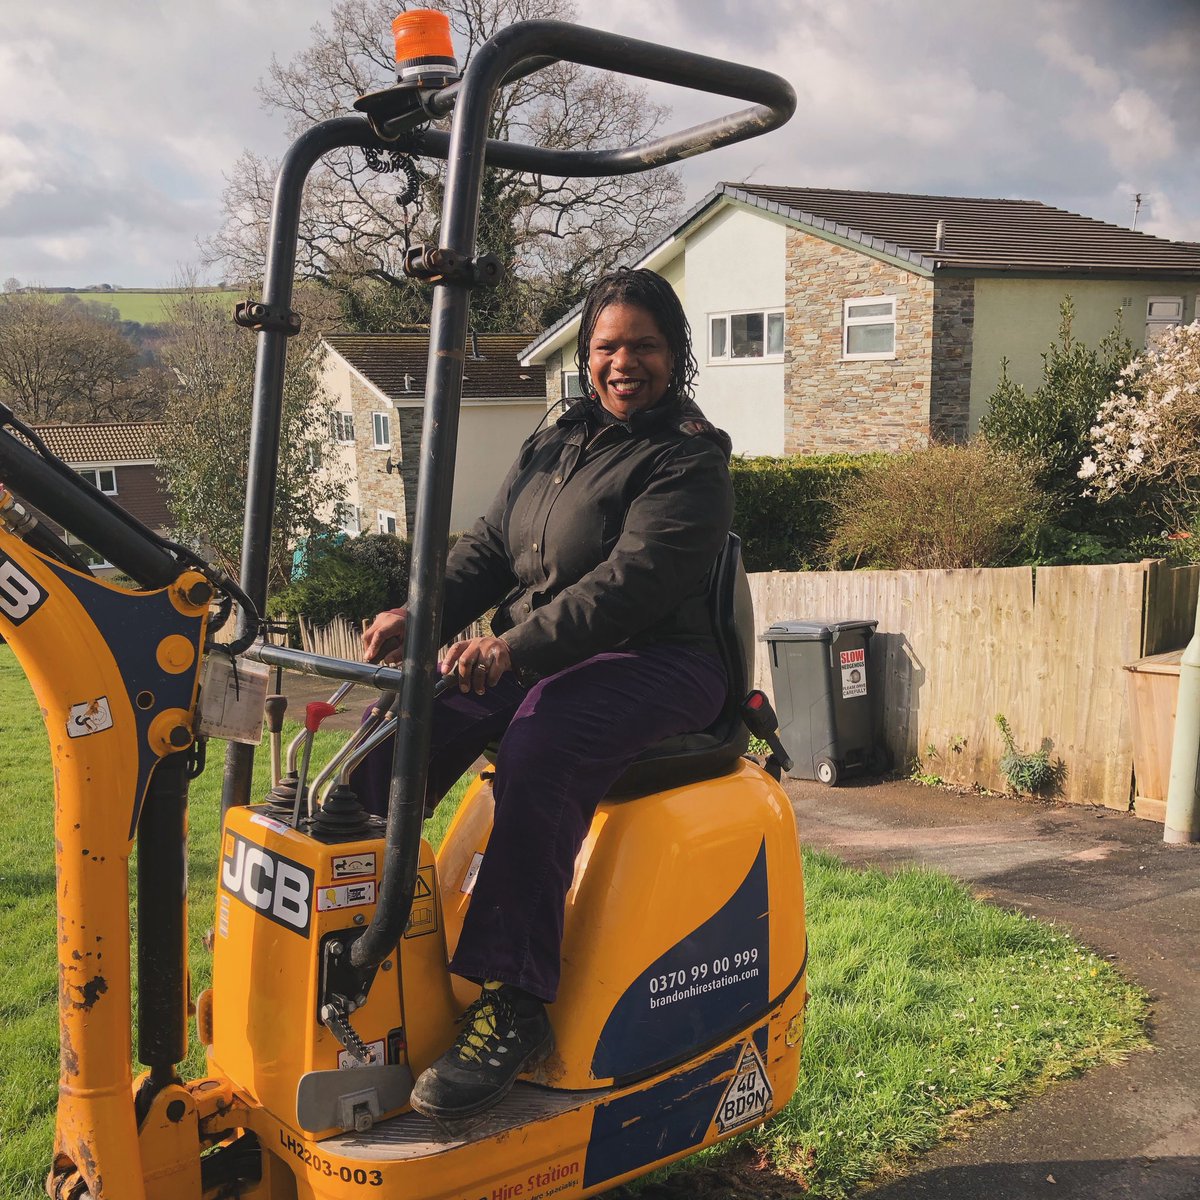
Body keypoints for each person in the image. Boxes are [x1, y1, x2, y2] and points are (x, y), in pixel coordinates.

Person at [357, 266, 734, 1122]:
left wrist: (512, 648)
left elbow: (628, 589)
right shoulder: (558, 439)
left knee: (544, 741)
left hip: (661, 660)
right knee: (403, 722)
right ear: (586, 356)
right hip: (544, 649)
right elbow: (490, 546)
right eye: (607, 346)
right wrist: (422, 617)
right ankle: (350, 935)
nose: (623, 361)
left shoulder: (689, 460)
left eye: (642, 345)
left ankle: (513, 1000)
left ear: (674, 353)